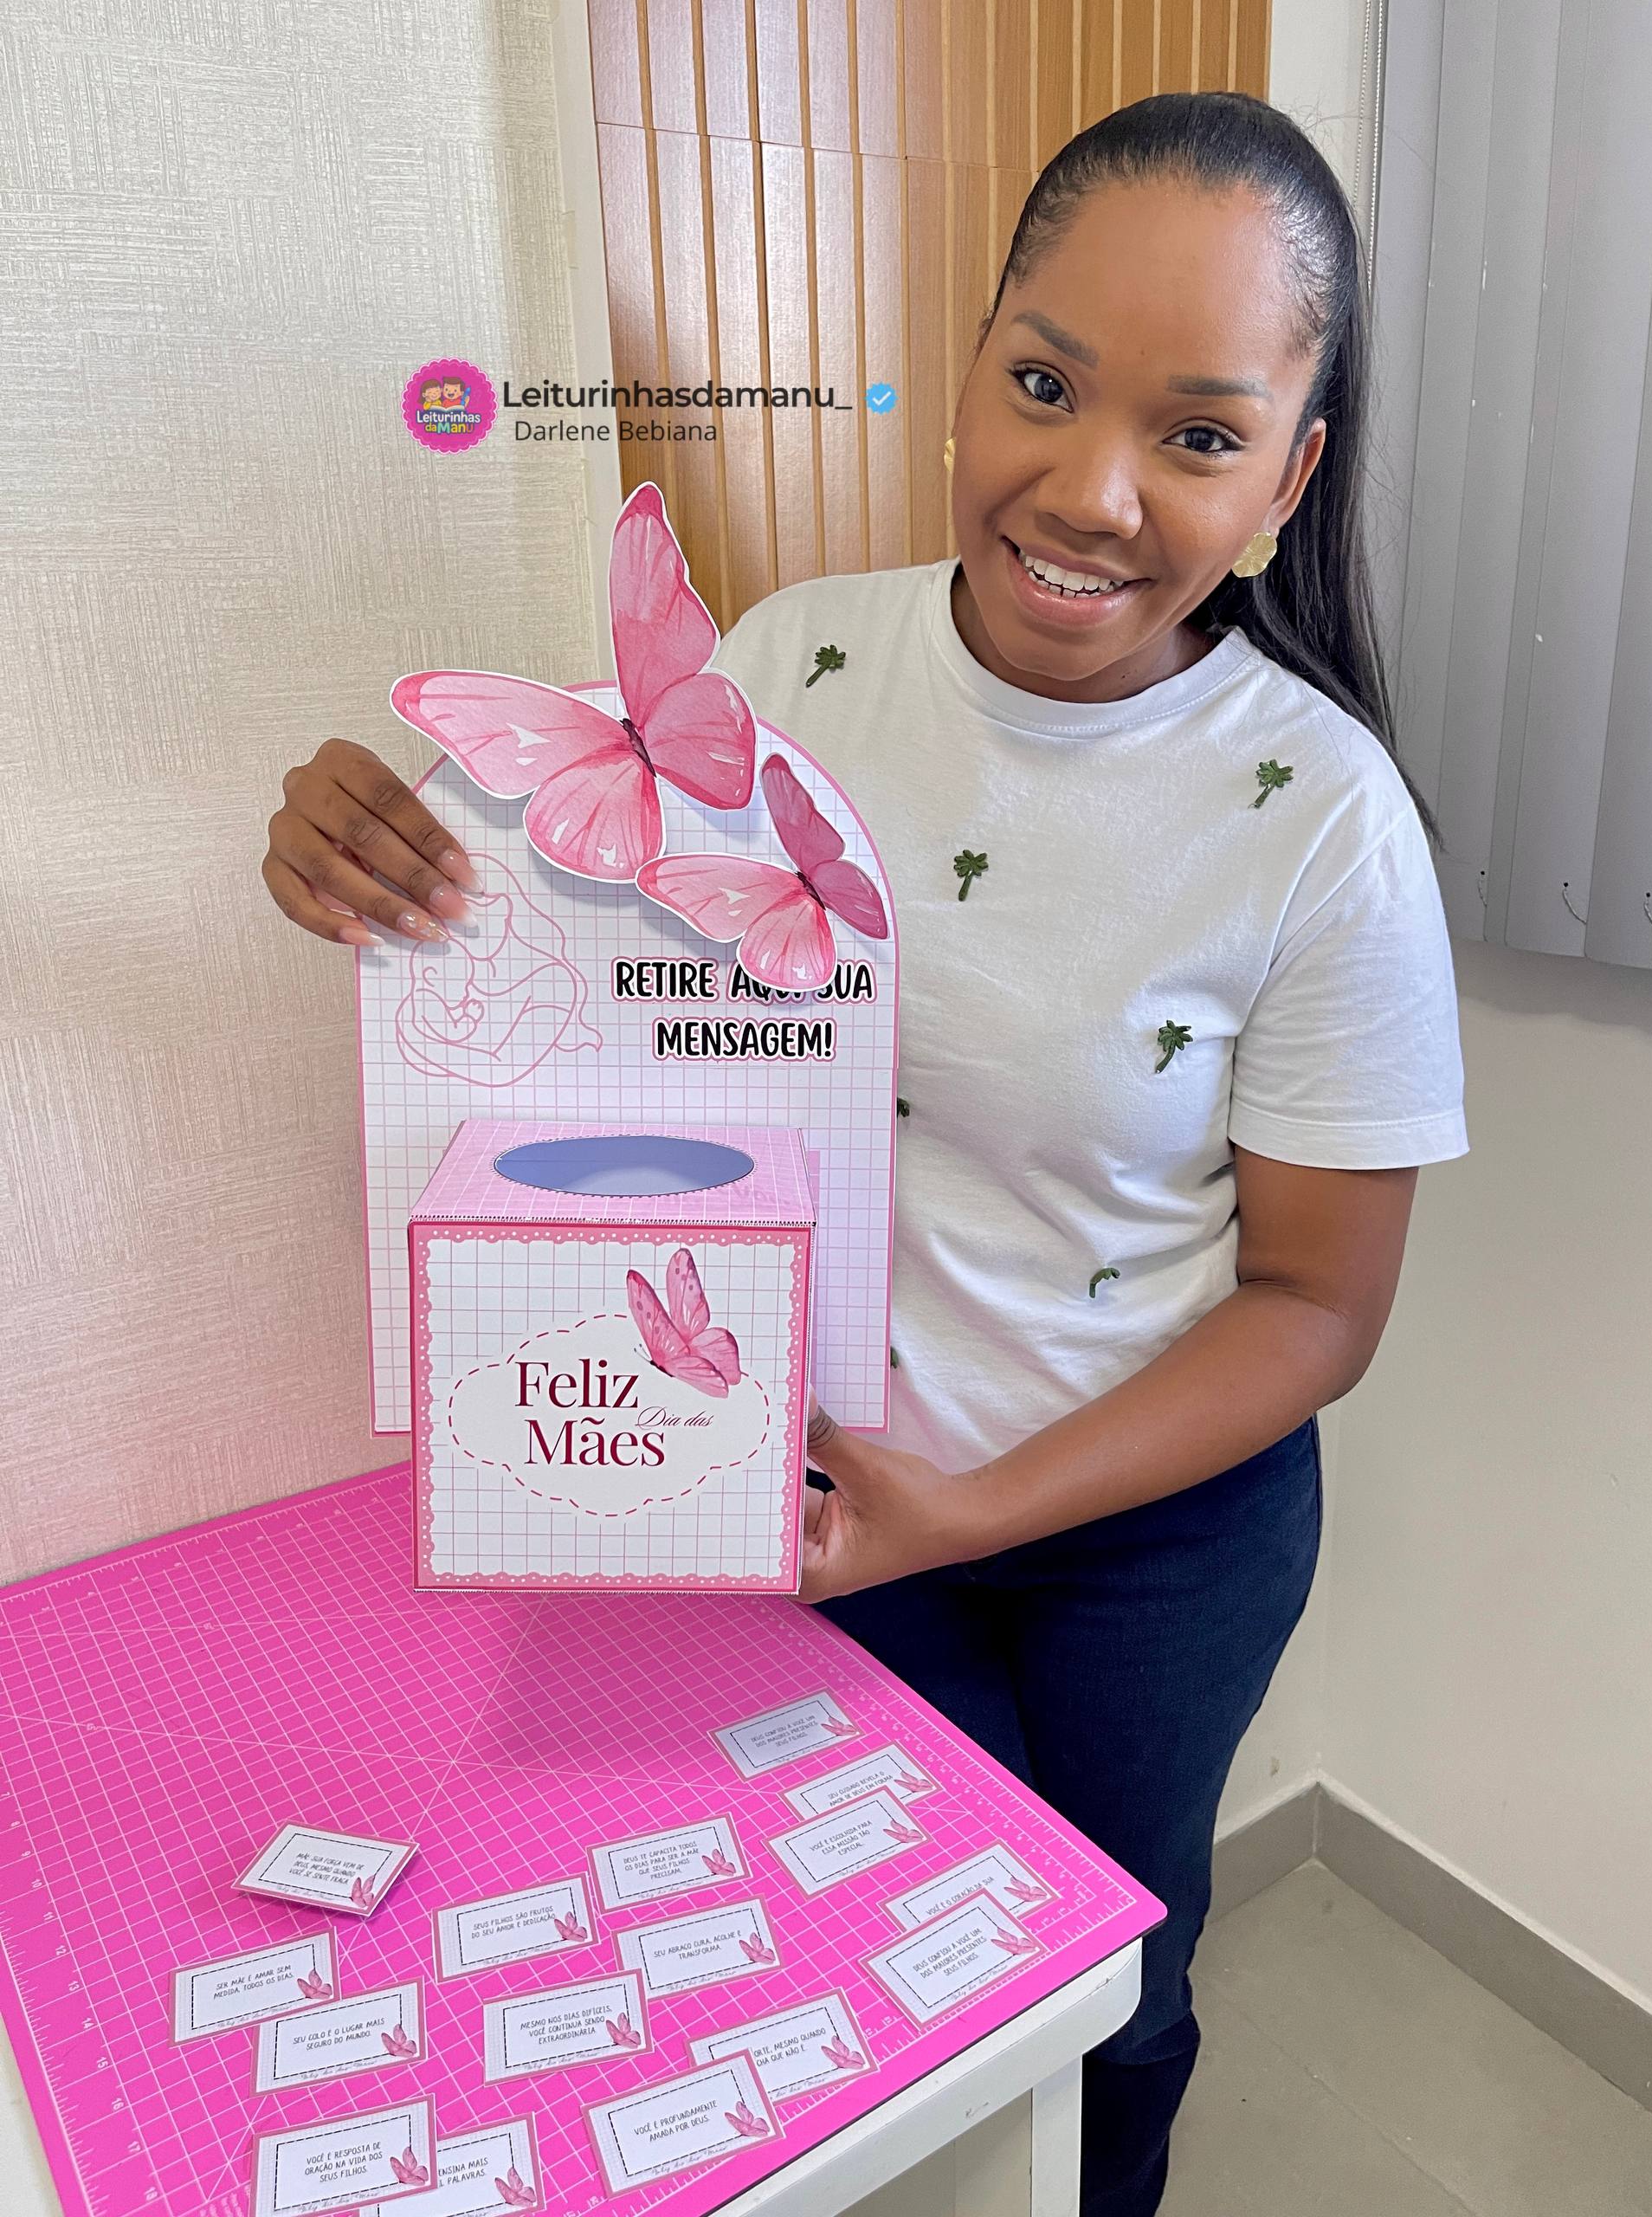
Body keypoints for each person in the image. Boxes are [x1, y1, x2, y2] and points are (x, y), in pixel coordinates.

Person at [261, 91, 1468, 2217]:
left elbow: (1317, 1304)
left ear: (1288, 479)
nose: (1089, 490)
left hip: (1152, 1545)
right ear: (969, 367)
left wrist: (972, 1507)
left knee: (1110, 1984)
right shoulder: (791, 663)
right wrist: (398, 859)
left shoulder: (1326, 819)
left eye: (1198, 434)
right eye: (1045, 384)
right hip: (827, 1490)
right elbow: (616, 1009)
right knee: (864, 1975)